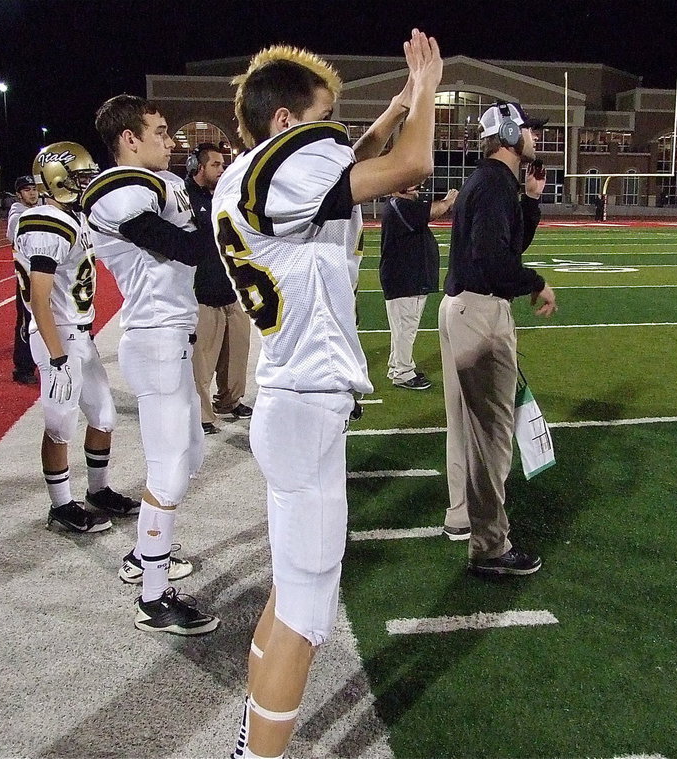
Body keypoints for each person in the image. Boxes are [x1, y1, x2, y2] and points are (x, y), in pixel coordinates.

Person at [212, 29, 442, 759]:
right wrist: (429, 96)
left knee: (289, 591)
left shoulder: (244, 174)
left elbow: (354, 162)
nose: (333, 139)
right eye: (320, 122)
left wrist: (398, 103)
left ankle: (252, 739)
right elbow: (411, 164)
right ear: (284, 125)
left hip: (290, 396)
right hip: (306, 401)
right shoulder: (287, 165)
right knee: (307, 612)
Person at [82, 94, 218, 635]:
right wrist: (238, 226)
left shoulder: (159, 184)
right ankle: (154, 599)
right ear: (128, 140)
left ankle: (144, 555)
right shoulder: (122, 186)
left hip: (173, 335)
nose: (170, 139)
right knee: (168, 467)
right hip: (156, 336)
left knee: (190, 455)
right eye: (159, 131)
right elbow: (177, 247)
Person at [438, 101, 557, 573]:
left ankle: (461, 516)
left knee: (467, 428)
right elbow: (496, 260)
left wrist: (529, 200)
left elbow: (508, 244)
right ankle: (490, 546)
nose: (536, 137)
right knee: (491, 436)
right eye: (529, 129)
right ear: (508, 131)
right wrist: (536, 282)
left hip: (463, 307)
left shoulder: (494, 182)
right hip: (480, 312)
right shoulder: (491, 185)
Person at [14, 142, 141, 533]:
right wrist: (55, 358)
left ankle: (98, 490)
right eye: (79, 177)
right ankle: (61, 505)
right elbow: (38, 298)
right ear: (56, 180)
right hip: (58, 335)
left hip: (79, 334)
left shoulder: (73, 218)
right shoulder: (43, 221)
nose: (86, 183)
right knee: (60, 424)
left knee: (103, 416)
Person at [184, 142, 253, 435]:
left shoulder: (224, 195)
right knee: (202, 362)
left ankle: (229, 401)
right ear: (198, 168)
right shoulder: (185, 198)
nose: (222, 169)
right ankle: (202, 415)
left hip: (231, 289)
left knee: (236, 357)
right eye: (215, 165)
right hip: (202, 294)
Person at [380, 183, 457, 390]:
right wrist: (449, 201)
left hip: (407, 279)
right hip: (405, 279)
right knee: (406, 328)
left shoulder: (400, 206)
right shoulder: (399, 205)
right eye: (410, 184)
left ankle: (397, 367)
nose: (417, 189)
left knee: (402, 328)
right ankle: (403, 373)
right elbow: (431, 212)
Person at [7, 175, 40, 385]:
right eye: (27, 190)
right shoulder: (16, 216)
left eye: (34, 189)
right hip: (27, 279)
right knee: (26, 323)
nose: (33, 193)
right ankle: (23, 367)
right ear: (19, 194)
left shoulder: (37, 210)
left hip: (44, 275)